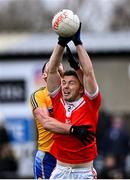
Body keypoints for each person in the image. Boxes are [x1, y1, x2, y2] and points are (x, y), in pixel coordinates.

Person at [43, 23, 101, 179]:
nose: (65, 87)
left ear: (81, 88)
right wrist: (61, 43)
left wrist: (78, 43)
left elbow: (88, 73)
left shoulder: (90, 103)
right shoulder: (57, 99)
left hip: (83, 173)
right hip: (60, 171)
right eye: (64, 83)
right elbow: (52, 69)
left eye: (71, 83)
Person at [30, 61, 95, 179]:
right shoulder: (39, 95)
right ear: (45, 75)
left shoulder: (70, 92)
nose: (57, 69)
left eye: (59, 67)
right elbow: (46, 122)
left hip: (71, 155)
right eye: (53, 68)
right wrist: (73, 129)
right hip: (48, 155)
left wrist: (74, 67)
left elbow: (87, 85)